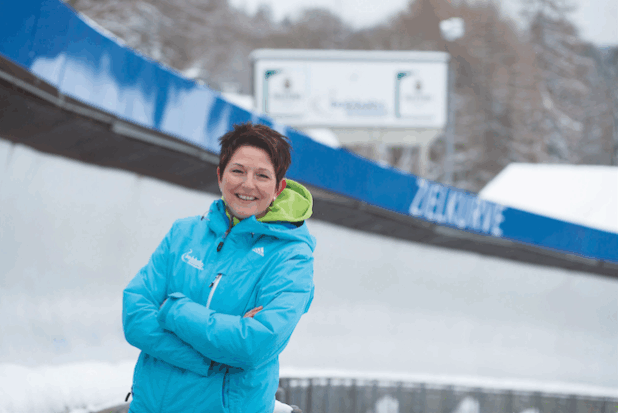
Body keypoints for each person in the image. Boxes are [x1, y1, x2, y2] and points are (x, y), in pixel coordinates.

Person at [122, 122, 315, 413]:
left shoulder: (292, 257)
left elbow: (253, 344)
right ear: (220, 175)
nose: (247, 185)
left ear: (278, 188)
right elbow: (135, 316)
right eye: (237, 171)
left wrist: (173, 310)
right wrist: (211, 359)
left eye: (262, 175)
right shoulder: (183, 233)